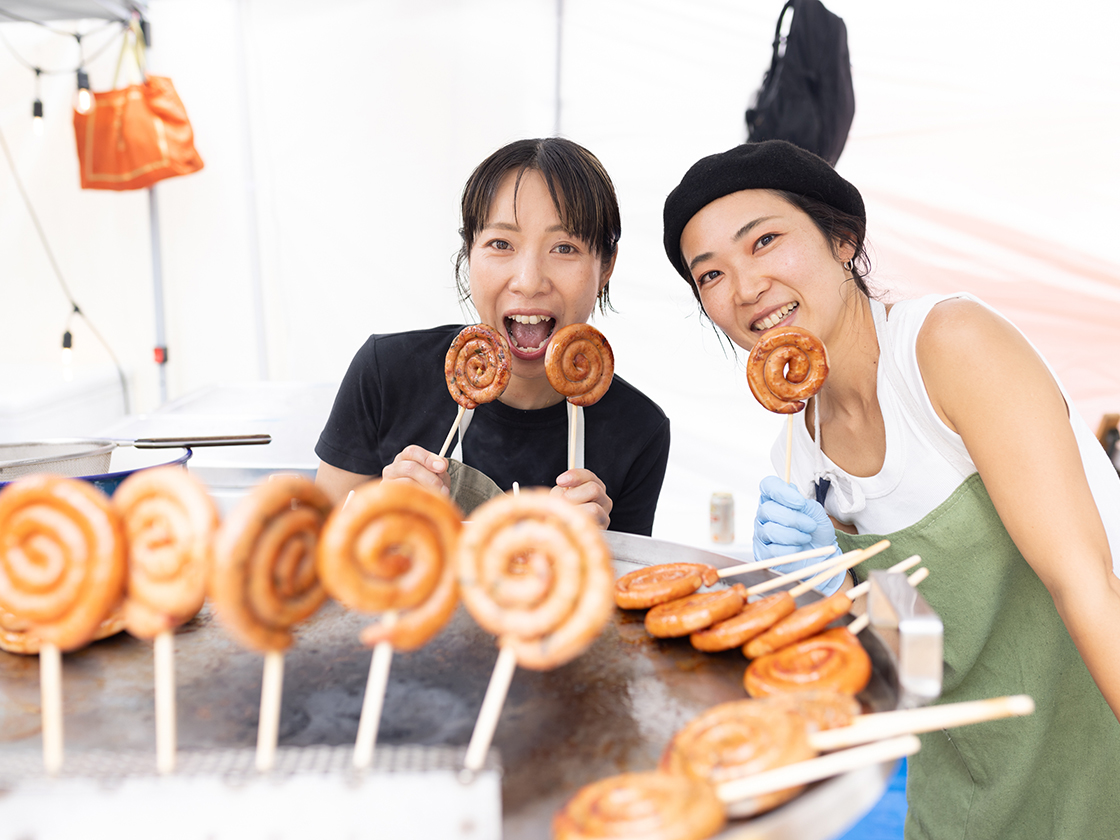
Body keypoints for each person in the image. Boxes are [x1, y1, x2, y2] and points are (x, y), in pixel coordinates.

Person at [662, 139, 1120, 840]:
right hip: (962, 780)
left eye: (766, 241)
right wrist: (836, 598)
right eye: (711, 274)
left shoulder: (947, 348)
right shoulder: (797, 453)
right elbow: (920, 656)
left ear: (844, 240)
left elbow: (1087, 586)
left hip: (1095, 741)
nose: (745, 286)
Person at [315, 137, 670, 535]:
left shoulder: (637, 429)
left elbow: (627, 593)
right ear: (469, 252)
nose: (528, 281)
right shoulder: (386, 373)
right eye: (501, 244)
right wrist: (379, 514)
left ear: (606, 267)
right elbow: (315, 562)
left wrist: (600, 552)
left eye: (565, 247)